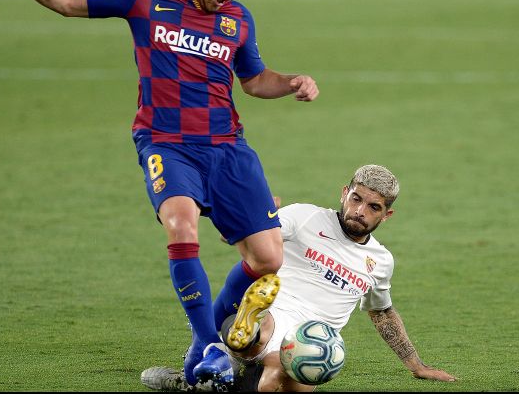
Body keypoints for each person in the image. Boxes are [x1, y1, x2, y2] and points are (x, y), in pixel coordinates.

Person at [0, 0, 319, 390]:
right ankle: (211, 343)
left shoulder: (237, 20)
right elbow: (71, 1)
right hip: (166, 142)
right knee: (180, 223)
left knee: (267, 259)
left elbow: (255, 80)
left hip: (228, 148)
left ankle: (205, 342)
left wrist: (293, 81)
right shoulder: (146, 1)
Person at [141, 164, 457, 392]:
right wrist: (250, 220)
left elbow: (382, 312)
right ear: (345, 193)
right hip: (276, 310)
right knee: (274, 360)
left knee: (285, 375)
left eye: (373, 207)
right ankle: (242, 333)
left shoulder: (381, 262)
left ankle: (212, 369)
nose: (360, 210)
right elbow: (258, 237)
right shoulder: (304, 217)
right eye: (356, 198)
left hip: (316, 340)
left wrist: (416, 365)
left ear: (386, 215)